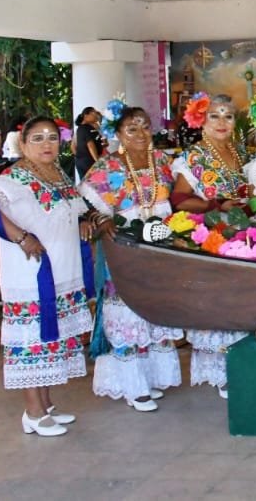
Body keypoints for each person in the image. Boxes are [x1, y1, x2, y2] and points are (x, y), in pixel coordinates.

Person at [0, 116, 94, 437]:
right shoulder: (12, 177)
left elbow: (73, 211)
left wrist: (82, 223)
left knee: (52, 340)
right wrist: (20, 237)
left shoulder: (57, 175)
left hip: (62, 273)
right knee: (34, 341)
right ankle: (33, 411)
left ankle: (46, 405)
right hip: (30, 276)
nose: (47, 144)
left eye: (53, 138)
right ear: (24, 144)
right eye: (38, 138)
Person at [78, 106, 183, 411]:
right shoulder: (108, 166)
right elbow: (83, 203)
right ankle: (133, 386)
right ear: (119, 134)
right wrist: (101, 219)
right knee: (127, 314)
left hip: (161, 247)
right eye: (132, 129)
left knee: (153, 308)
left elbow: (178, 199)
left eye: (145, 127)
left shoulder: (163, 162)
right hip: (124, 248)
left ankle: (151, 378)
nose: (140, 134)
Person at [170, 93, 250, 398]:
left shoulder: (239, 151)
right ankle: (221, 375)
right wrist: (215, 205)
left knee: (241, 303)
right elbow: (179, 201)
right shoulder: (193, 156)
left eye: (228, 116)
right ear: (200, 120)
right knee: (221, 303)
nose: (222, 122)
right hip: (211, 240)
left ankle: (241, 366)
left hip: (241, 237)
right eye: (214, 116)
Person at [73, 108, 107, 181]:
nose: (96, 117)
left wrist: (100, 129)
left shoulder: (91, 128)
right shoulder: (83, 128)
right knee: (92, 185)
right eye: (94, 114)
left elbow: (105, 143)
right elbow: (90, 145)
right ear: (86, 115)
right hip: (89, 162)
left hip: (86, 161)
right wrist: (97, 161)